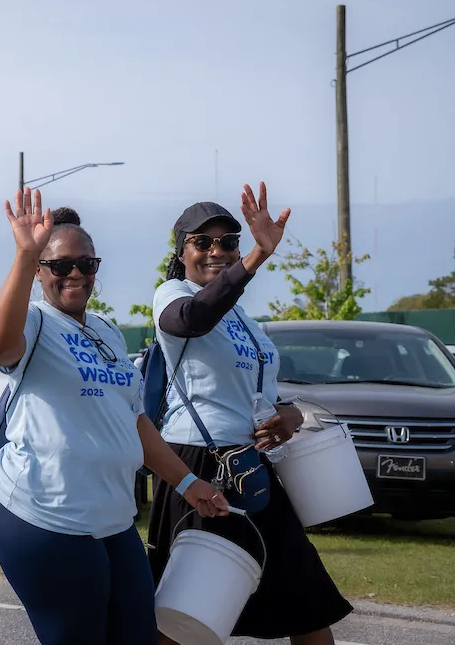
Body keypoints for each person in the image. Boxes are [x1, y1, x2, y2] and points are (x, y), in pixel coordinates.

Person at [0, 189, 229, 645]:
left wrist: (189, 483)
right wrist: (24, 253)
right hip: (43, 514)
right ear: (40, 272)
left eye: (86, 264)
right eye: (59, 265)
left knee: (137, 635)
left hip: (112, 517)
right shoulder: (35, 323)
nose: (74, 274)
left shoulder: (107, 332)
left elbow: (134, 421)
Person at [147, 184, 353, 645]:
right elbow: (192, 319)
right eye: (203, 242)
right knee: (187, 616)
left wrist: (289, 417)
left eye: (228, 242)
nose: (216, 251)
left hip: (252, 467)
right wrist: (257, 256)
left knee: (307, 603)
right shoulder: (172, 293)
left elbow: (264, 395)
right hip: (197, 465)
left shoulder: (246, 321)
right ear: (181, 253)